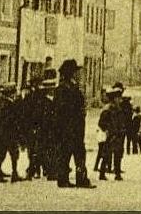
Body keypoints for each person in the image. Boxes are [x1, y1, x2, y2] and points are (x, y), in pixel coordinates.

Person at [54, 59, 95, 189]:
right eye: (75, 72)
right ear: (70, 73)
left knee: (79, 153)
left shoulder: (73, 86)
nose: (78, 74)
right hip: (67, 127)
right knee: (66, 153)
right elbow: (60, 110)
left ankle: (80, 179)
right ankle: (63, 179)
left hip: (76, 127)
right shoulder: (62, 89)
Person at [24, 71, 56, 180]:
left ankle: (41, 170)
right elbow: (32, 114)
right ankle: (34, 170)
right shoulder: (37, 99)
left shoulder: (46, 99)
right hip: (38, 128)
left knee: (41, 150)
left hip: (43, 128)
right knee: (38, 150)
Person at [97, 82, 128, 180]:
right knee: (106, 154)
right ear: (114, 98)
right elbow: (101, 123)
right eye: (118, 98)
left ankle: (117, 174)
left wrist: (122, 129)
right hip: (110, 135)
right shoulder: (108, 109)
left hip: (118, 134)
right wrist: (107, 130)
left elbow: (122, 121)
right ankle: (102, 173)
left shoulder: (119, 109)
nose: (120, 100)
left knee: (118, 154)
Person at [0, 85, 21, 182]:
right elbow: (11, 119)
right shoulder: (9, 104)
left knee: (1, 153)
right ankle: (13, 173)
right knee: (13, 153)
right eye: (14, 91)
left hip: (0, 132)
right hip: (9, 133)